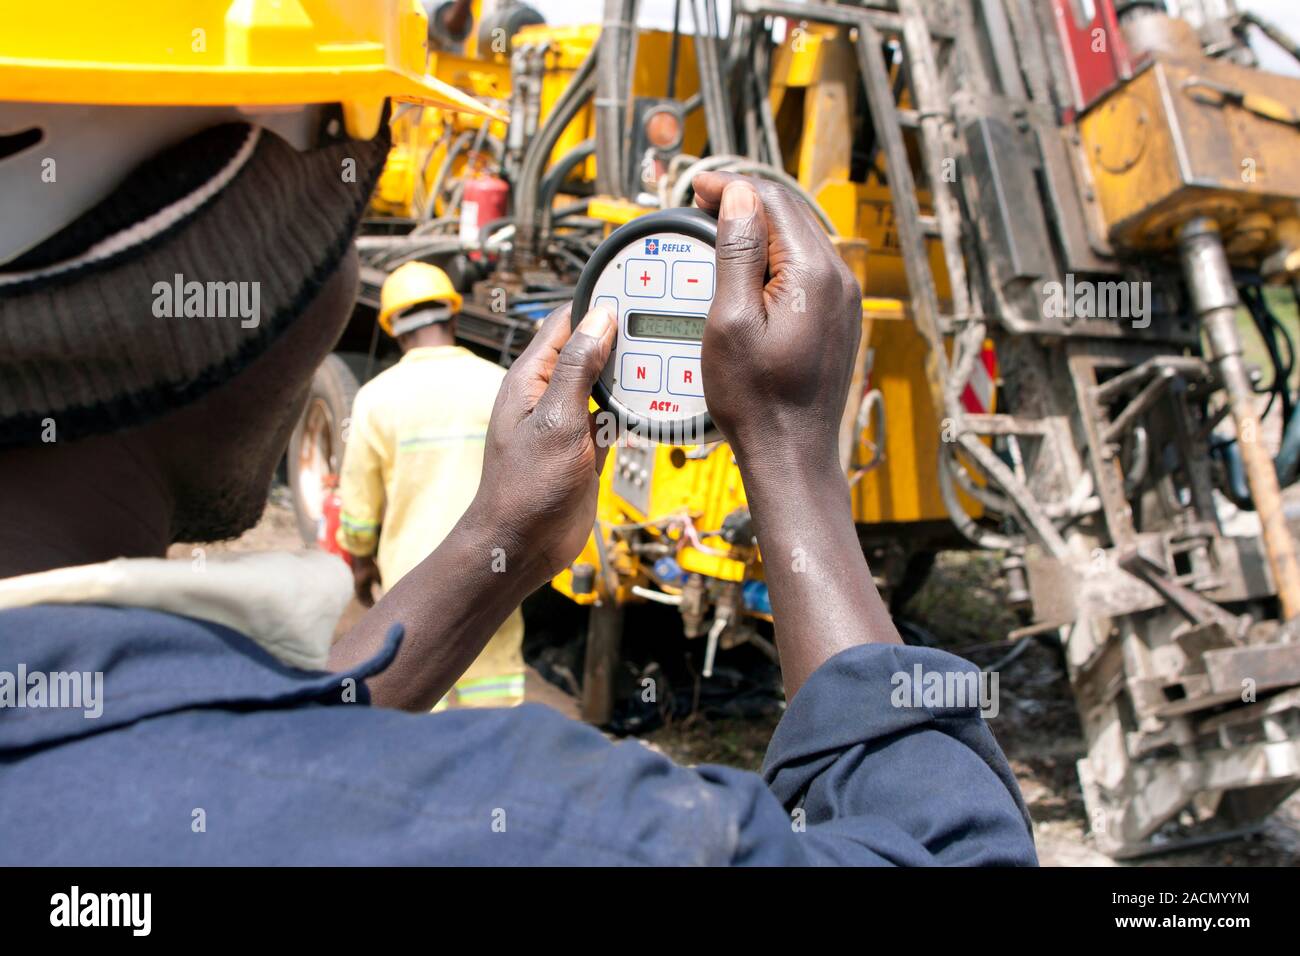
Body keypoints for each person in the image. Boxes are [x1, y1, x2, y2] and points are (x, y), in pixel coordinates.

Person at [0, 2, 1036, 865]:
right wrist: (793, 460)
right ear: (236, 262)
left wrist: (499, 538)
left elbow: (255, 757)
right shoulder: (538, 828)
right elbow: (952, 850)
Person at [336, 261, 526, 709]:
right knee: (492, 684)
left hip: (411, 582)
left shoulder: (376, 398)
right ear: (454, 317)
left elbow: (360, 507)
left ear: (393, 330)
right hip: (493, 570)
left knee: (415, 694)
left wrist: (362, 564)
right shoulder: (501, 384)